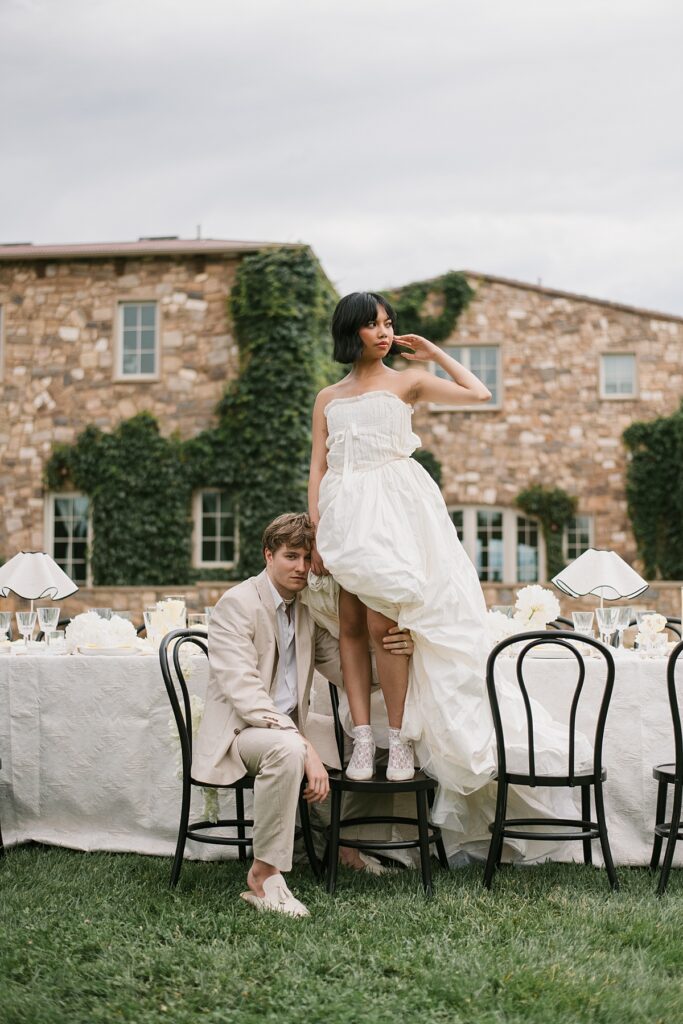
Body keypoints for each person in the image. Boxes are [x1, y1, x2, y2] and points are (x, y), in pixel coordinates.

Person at [308, 291, 494, 796]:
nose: (385, 332)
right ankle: (362, 738)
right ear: (351, 331)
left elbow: (479, 394)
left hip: (395, 511)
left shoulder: (408, 381)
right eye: (374, 324)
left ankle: (399, 739)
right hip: (344, 511)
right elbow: (318, 466)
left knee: (382, 623)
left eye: (389, 323)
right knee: (350, 625)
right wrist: (318, 530)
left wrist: (434, 354)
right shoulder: (328, 397)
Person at [192, 512, 413, 917]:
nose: (300, 567)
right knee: (291, 751)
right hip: (242, 733)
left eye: (307, 558)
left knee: (354, 751)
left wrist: (397, 652)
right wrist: (302, 744)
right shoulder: (237, 604)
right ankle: (264, 877)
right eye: (290, 556)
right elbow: (246, 695)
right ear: (268, 555)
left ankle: (343, 849)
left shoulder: (305, 609)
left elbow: (348, 670)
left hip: (287, 731)